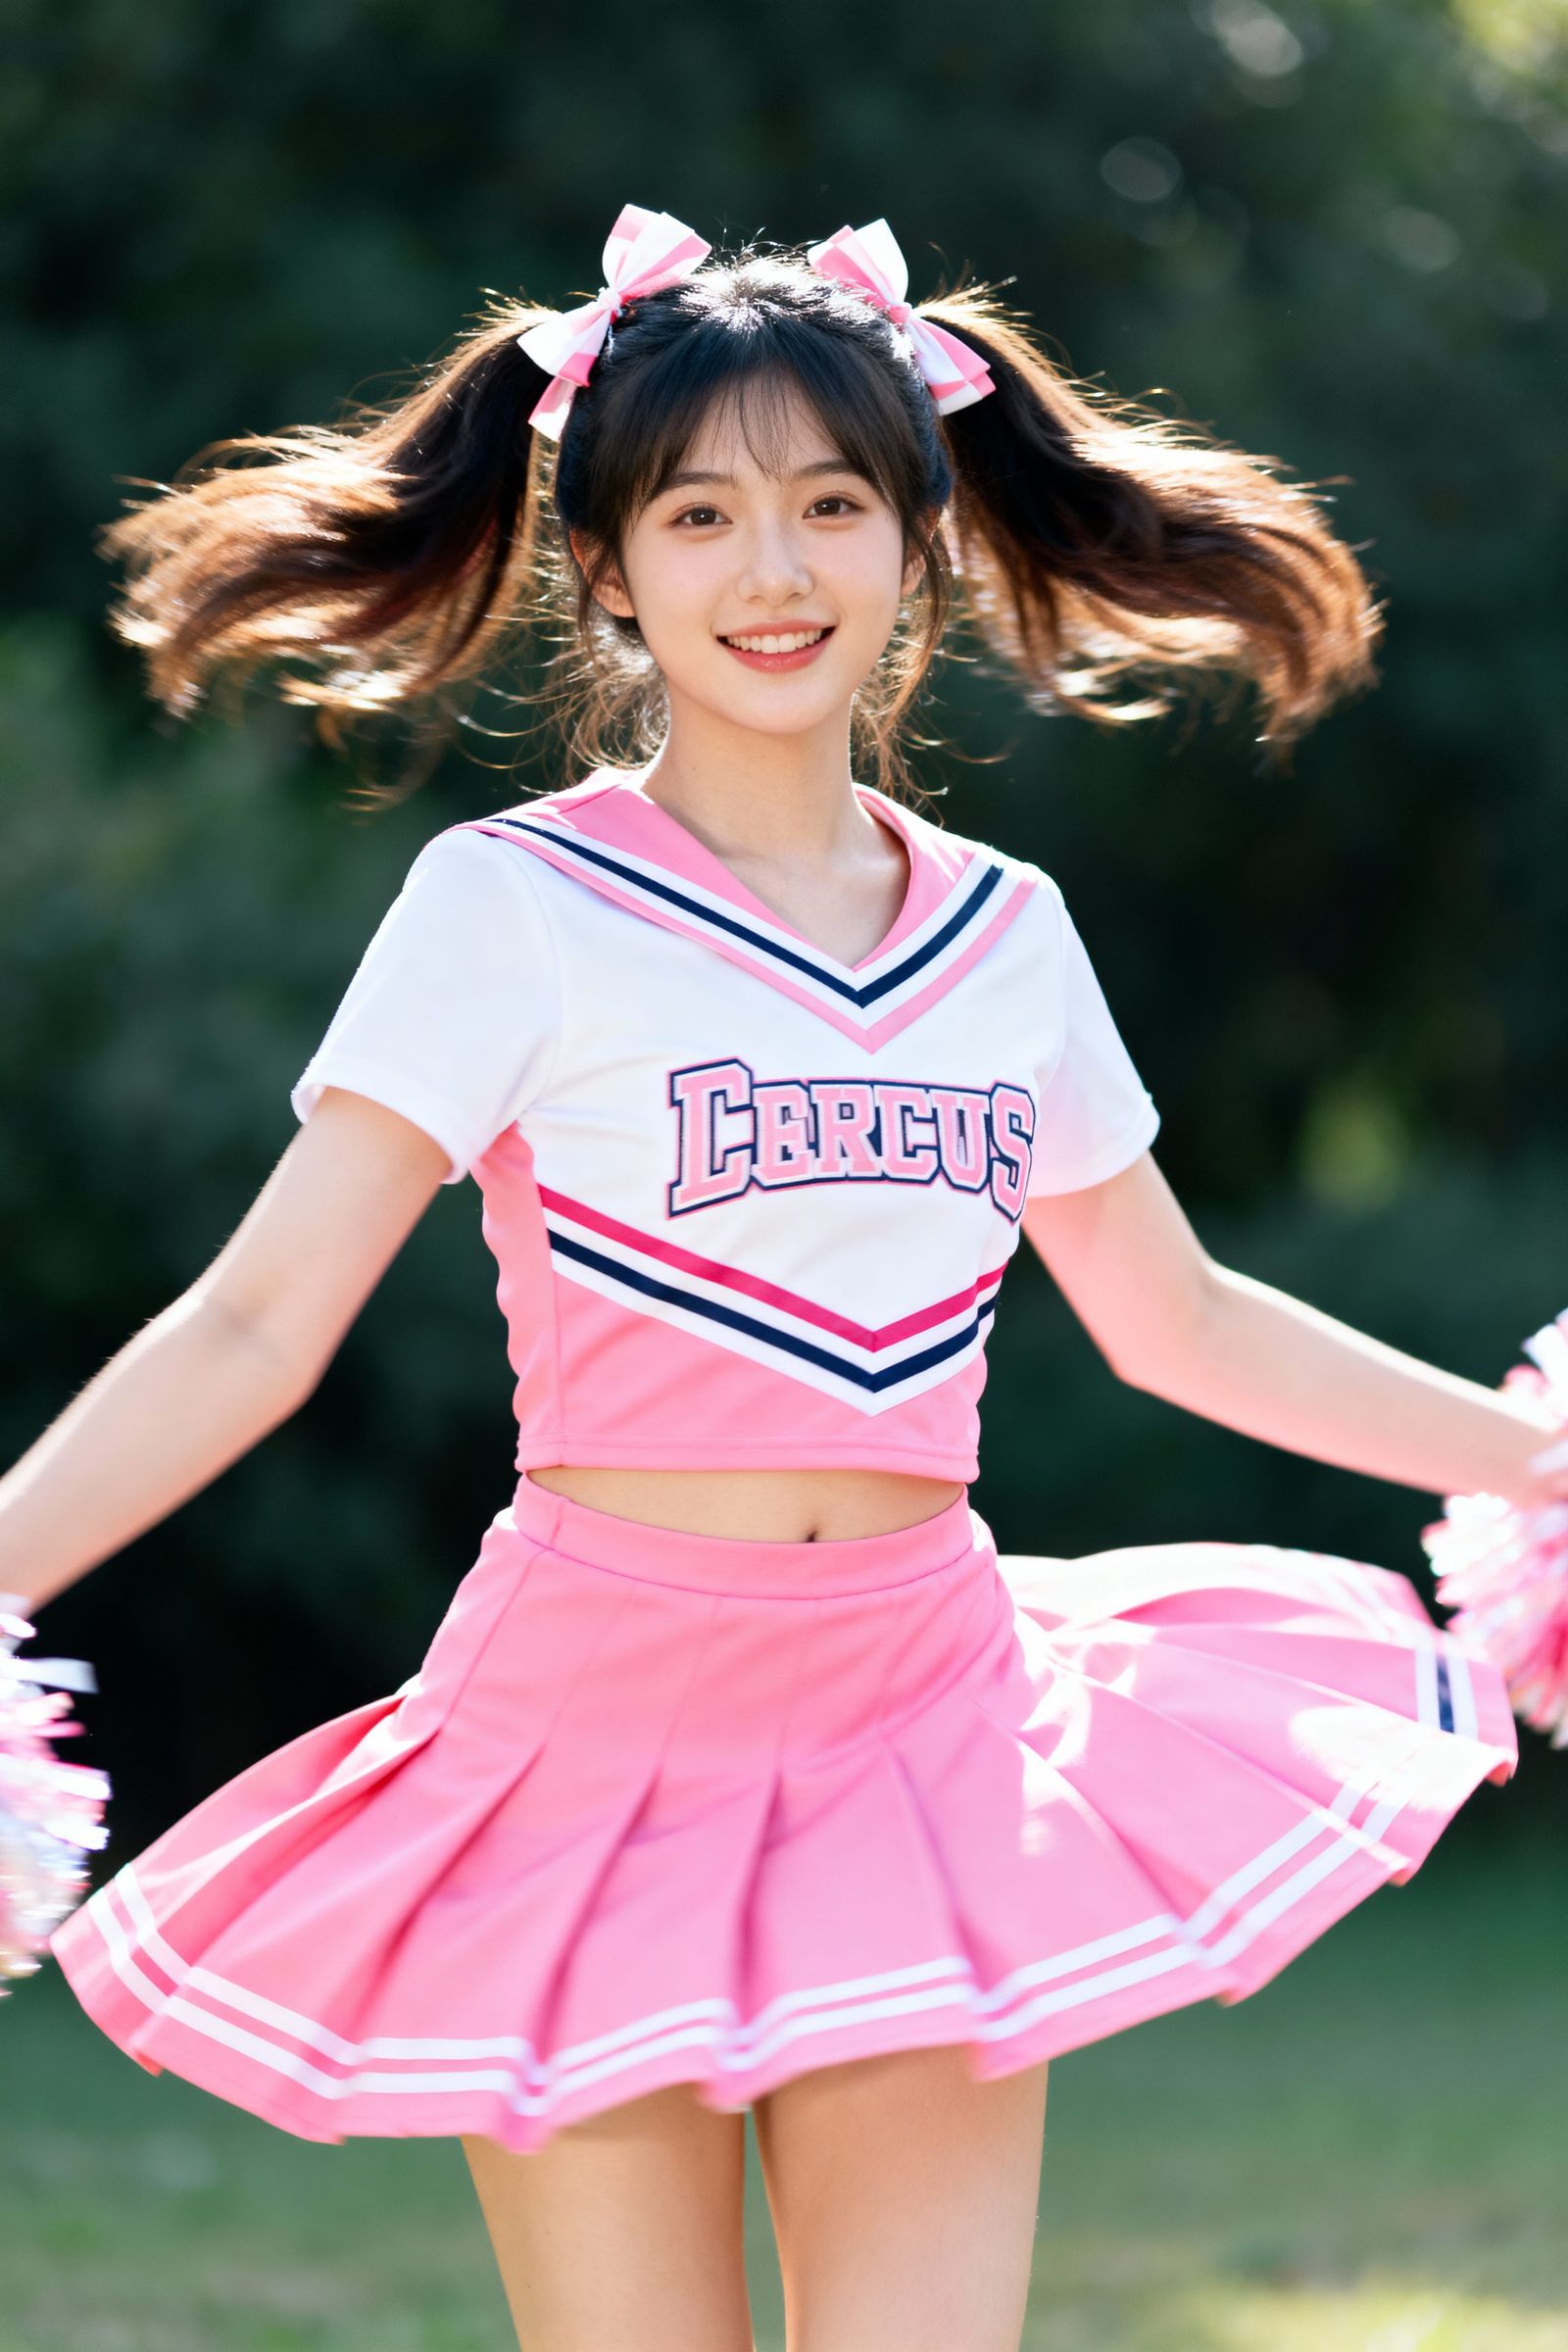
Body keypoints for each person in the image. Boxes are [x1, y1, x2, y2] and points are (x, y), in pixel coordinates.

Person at [8, 204, 1563, 2352]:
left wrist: (1539, 1468)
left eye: (832, 504)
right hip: (585, 1743)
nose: (774, 569)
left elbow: (1179, 1318)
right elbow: (258, 1324)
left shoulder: (1005, 932)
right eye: (701, 513)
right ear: (605, 569)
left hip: (924, 1727)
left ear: (920, 540)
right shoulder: (512, 905)